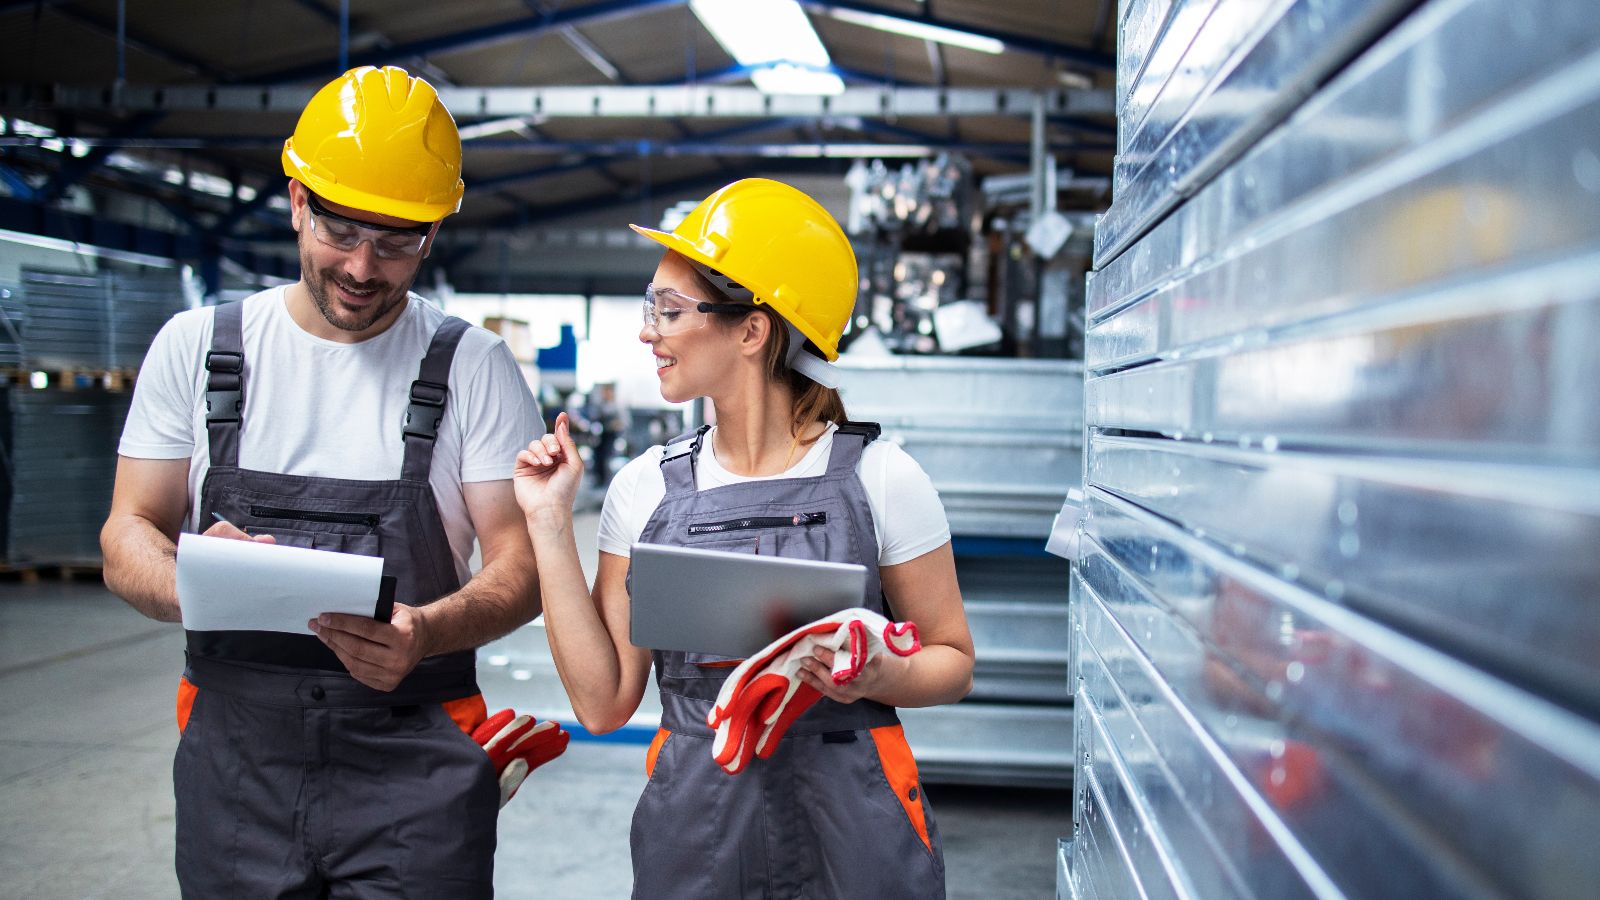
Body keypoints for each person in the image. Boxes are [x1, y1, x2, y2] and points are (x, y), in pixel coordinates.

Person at [100, 66, 543, 898]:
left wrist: (427, 632)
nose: (365, 268)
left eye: (398, 242)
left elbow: (521, 567)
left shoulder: (471, 366)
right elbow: (128, 532)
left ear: (433, 234)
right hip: (237, 769)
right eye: (341, 231)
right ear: (298, 200)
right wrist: (192, 581)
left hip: (415, 768)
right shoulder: (197, 349)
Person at [513, 178, 975, 898]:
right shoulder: (645, 490)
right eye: (650, 309)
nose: (647, 330)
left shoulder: (885, 480)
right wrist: (546, 522)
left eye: (668, 310)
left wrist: (882, 675)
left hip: (855, 827)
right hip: (696, 830)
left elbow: (953, 662)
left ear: (752, 330)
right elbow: (602, 704)